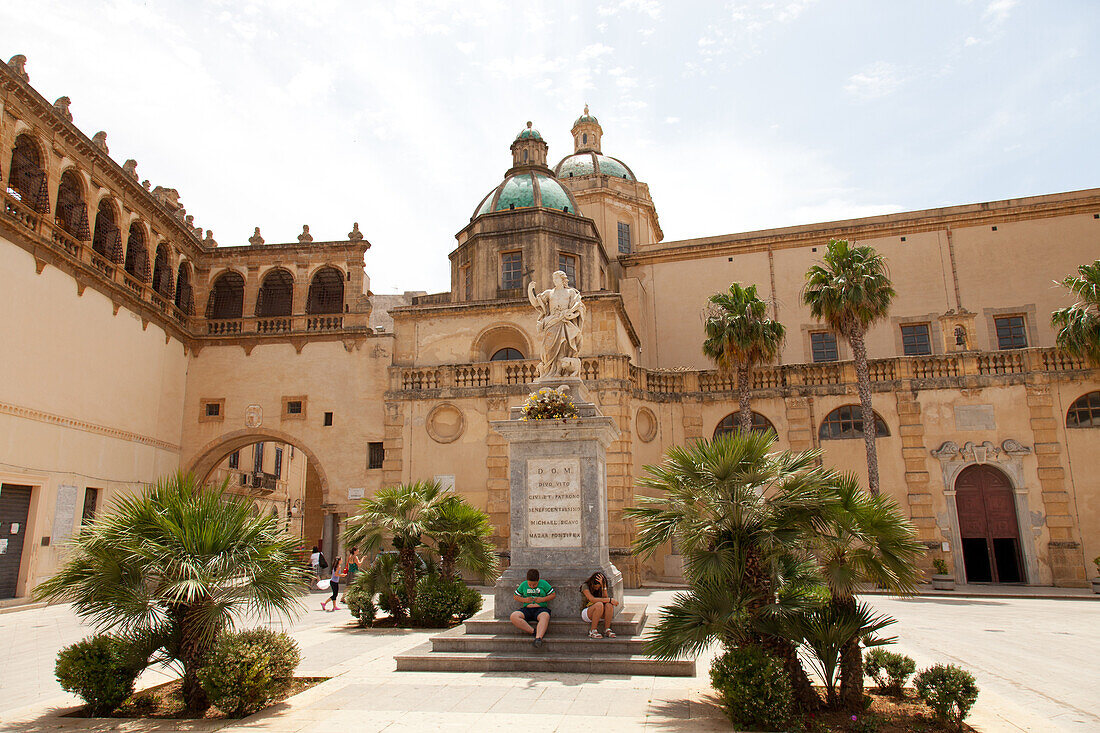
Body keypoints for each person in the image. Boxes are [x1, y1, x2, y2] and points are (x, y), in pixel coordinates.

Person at [509, 568, 554, 647]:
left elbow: (553, 594)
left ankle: (538, 638)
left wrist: (542, 599)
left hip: (540, 608)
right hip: (527, 609)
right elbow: (515, 596)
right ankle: (533, 631)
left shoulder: (544, 583)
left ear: (538, 580)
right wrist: (524, 600)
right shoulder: (523, 584)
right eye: (530, 585)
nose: (532, 586)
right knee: (514, 616)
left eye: (534, 585)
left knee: (545, 616)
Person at [580, 571, 619, 638]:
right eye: (595, 587)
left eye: (598, 587)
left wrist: (603, 587)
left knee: (609, 605)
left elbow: (605, 599)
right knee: (599, 604)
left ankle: (607, 630)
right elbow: (592, 599)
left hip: (600, 612)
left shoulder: (602, 587)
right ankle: (592, 631)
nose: (597, 589)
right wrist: (610, 600)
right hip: (588, 612)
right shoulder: (585, 586)